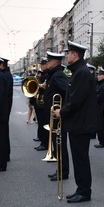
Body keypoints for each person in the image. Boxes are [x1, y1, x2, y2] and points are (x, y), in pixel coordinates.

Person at [56, 41, 98, 203]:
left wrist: (62, 111)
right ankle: (81, 189)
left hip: (81, 123)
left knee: (80, 158)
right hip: (79, 123)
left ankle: (84, 191)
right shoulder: (79, 71)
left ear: (75, 55)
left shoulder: (81, 73)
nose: (66, 56)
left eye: (68, 53)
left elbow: (76, 100)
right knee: (79, 157)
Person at [44, 51, 69, 180]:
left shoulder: (58, 75)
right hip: (54, 116)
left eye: (48, 61)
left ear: (54, 62)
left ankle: (63, 171)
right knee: (56, 143)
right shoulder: (53, 75)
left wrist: (61, 110)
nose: (46, 63)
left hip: (58, 116)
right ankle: (60, 169)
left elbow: (67, 92)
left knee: (60, 144)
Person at [33, 62, 49, 151]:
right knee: (41, 123)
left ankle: (44, 143)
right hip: (39, 103)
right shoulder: (41, 75)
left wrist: (41, 86)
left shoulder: (47, 75)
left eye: (43, 64)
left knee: (44, 124)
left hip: (43, 104)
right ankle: (42, 140)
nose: (41, 66)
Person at [94, 68, 104, 149]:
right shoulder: (99, 84)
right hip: (98, 106)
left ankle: (103, 141)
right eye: (98, 75)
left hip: (102, 107)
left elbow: (102, 96)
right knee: (99, 125)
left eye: (100, 75)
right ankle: (101, 140)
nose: (98, 76)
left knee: (101, 126)